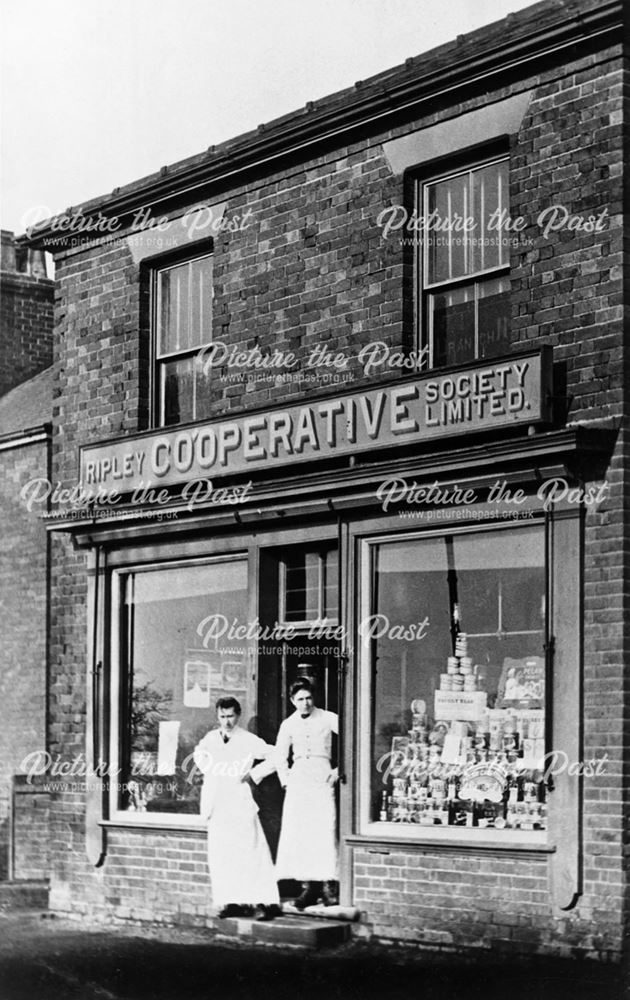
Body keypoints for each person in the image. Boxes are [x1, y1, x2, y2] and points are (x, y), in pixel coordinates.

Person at [193, 696, 281, 921]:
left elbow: (276, 755)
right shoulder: (210, 738)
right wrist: (210, 768)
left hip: (239, 803)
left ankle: (263, 902)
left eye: (230, 716)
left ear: (238, 715)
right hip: (218, 804)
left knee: (250, 851)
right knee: (222, 856)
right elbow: (199, 754)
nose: (227, 721)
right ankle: (232, 902)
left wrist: (254, 774)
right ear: (217, 716)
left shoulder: (249, 740)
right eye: (222, 716)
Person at [274, 677, 339, 909]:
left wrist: (337, 771)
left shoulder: (328, 717)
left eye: (309, 697)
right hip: (299, 780)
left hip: (321, 776)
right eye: (300, 699)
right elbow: (280, 755)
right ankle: (308, 889)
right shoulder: (288, 724)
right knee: (301, 833)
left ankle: (328, 887)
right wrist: (286, 780)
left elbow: (352, 738)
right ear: (292, 701)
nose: (305, 703)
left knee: (323, 829)